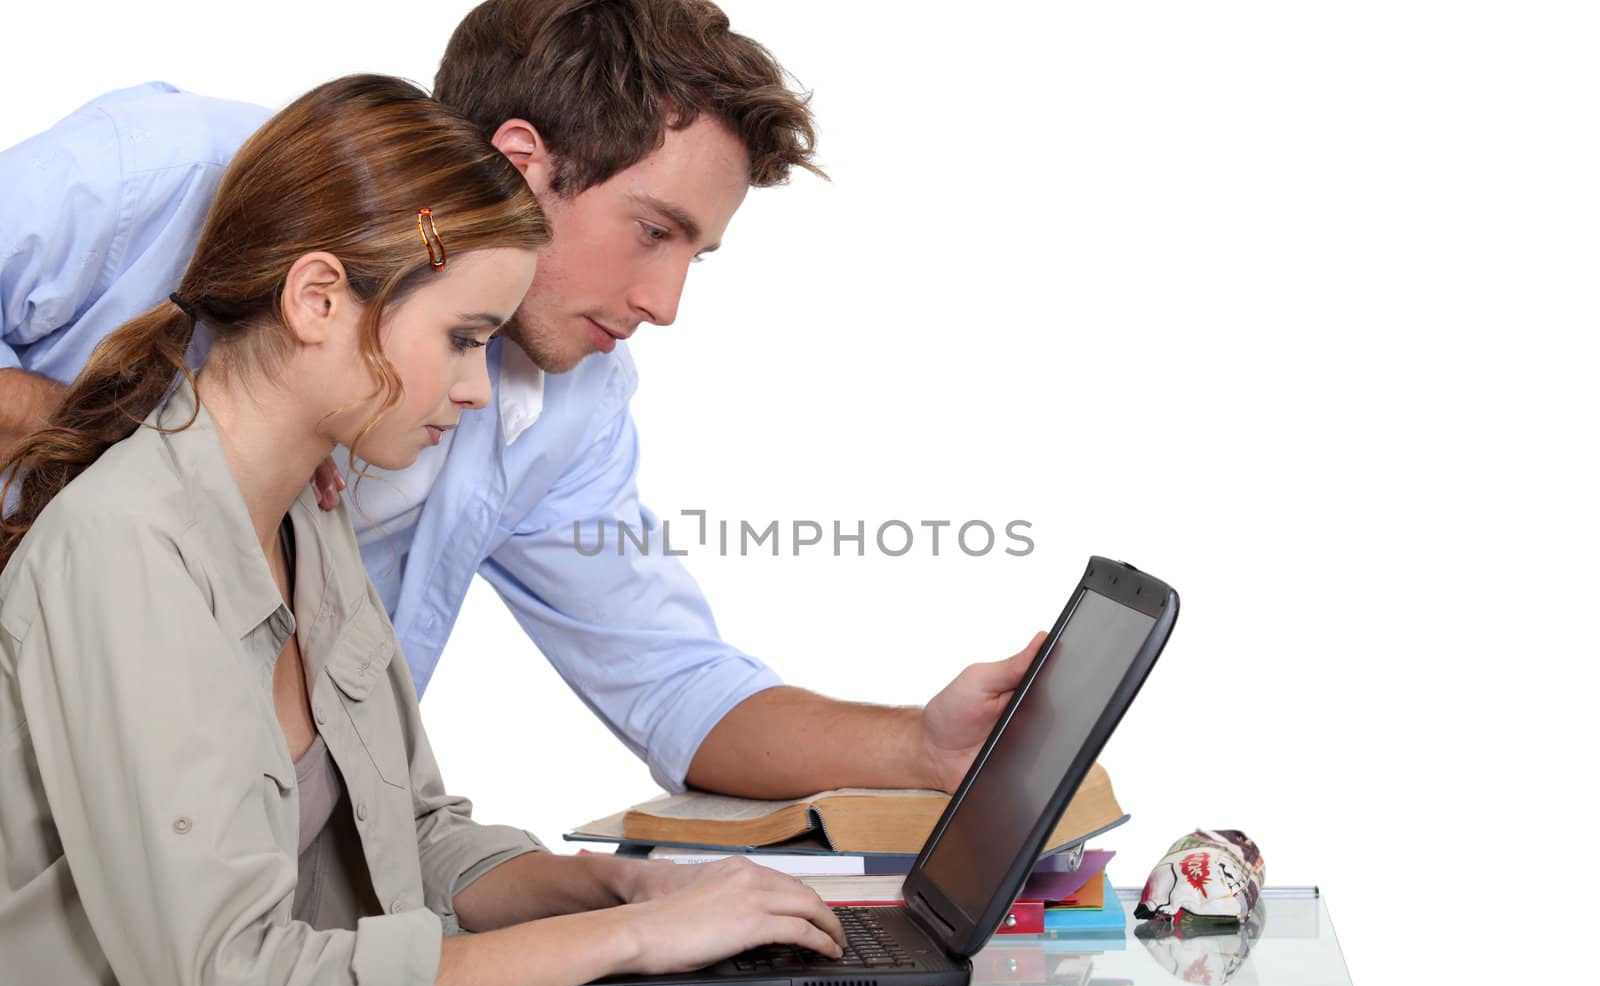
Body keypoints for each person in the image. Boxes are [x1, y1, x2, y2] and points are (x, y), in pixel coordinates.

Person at [0, 74, 855, 986]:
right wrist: (624, 939)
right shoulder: (128, 549)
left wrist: (619, 887)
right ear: (319, 298)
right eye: (462, 341)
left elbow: (409, 829)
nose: (476, 390)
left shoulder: (309, 519)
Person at [0, 0, 1044, 803]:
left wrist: (919, 746)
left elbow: (672, 680)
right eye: (653, 230)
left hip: (240, 848)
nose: (667, 303)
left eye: (698, 254)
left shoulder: (571, 395)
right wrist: (135, 446)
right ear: (522, 163)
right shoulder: (157, 173)